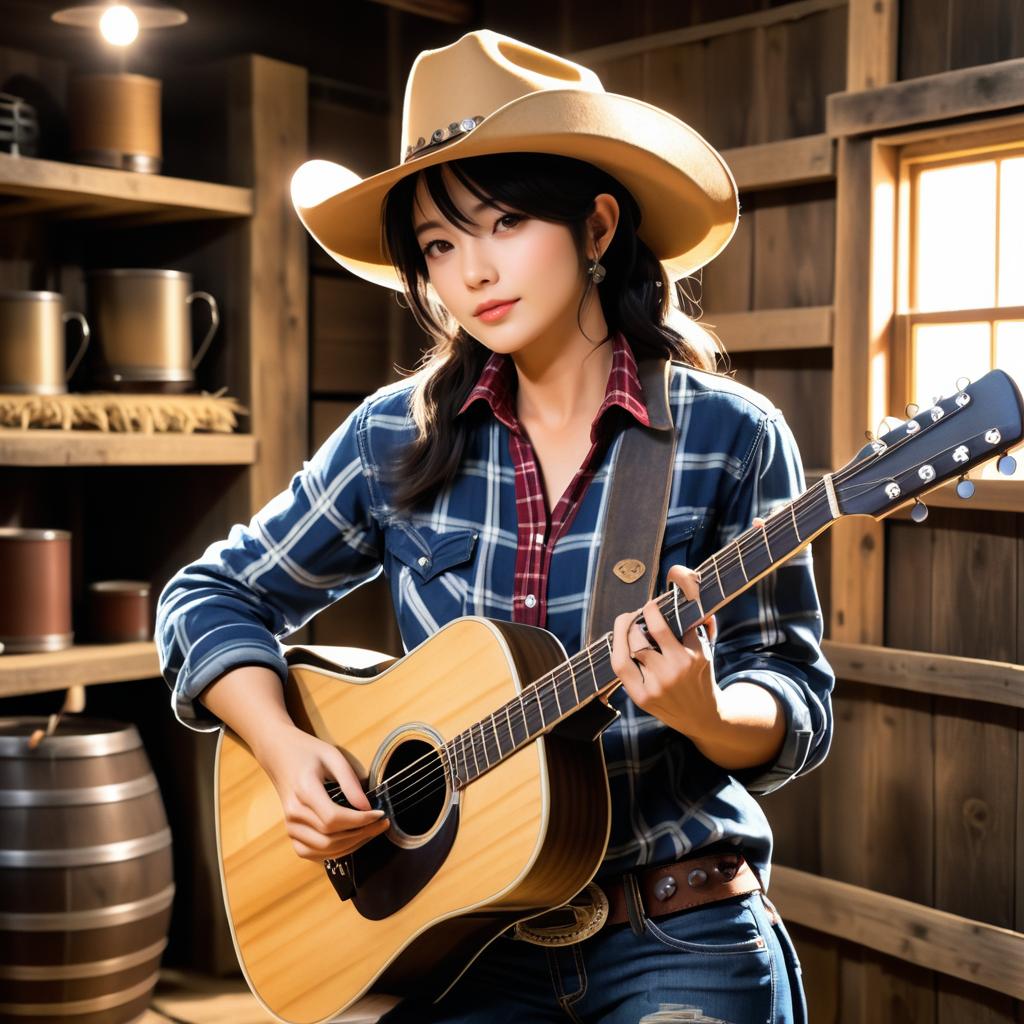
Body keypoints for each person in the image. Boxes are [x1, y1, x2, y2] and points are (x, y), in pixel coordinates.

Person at [155, 28, 834, 1024]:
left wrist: (707, 712)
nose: (470, 271)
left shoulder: (729, 437)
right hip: (466, 944)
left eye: (505, 221)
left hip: (674, 925)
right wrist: (284, 749)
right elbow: (205, 595)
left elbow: (795, 692)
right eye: (438, 243)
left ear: (598, 227)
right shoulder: (396, 436)